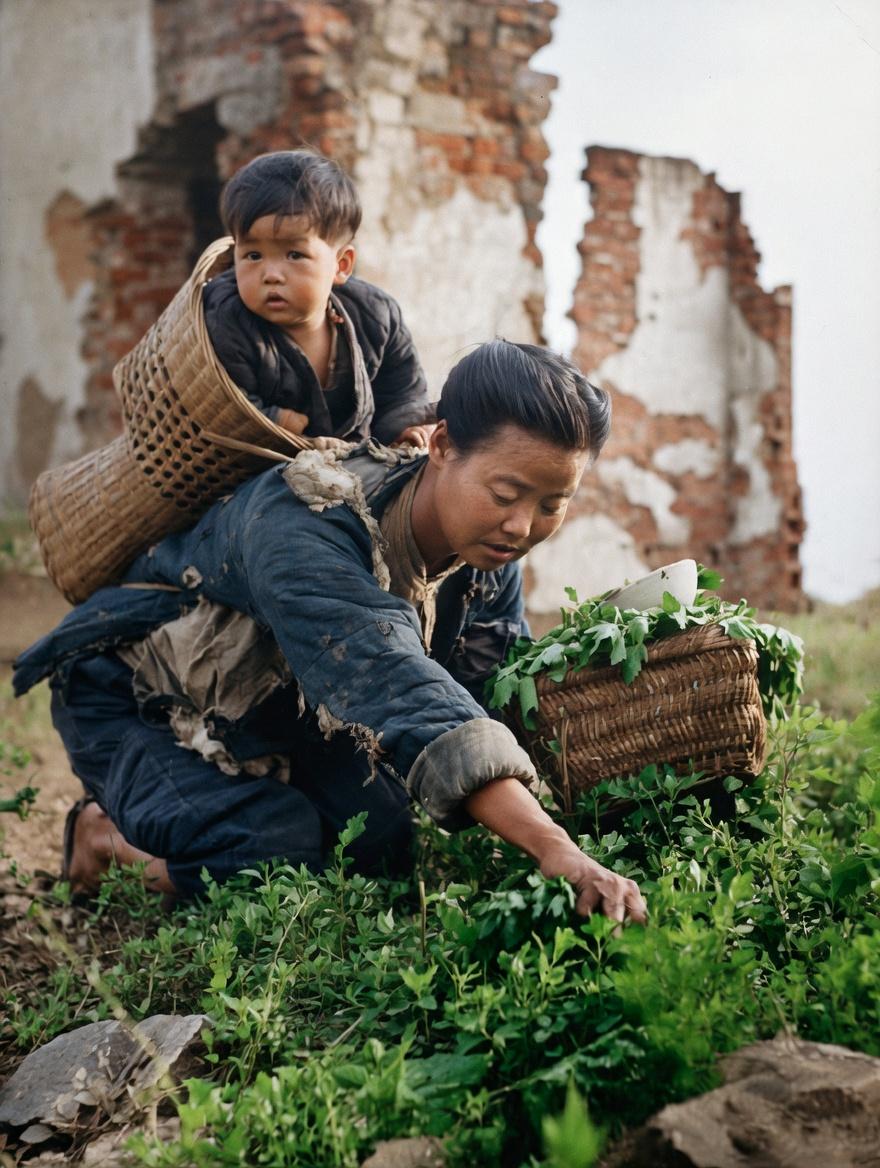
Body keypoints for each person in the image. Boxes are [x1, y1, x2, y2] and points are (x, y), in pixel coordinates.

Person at [14, 341, 647, 925]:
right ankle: (103, 842)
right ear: (444, 446)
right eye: (507, 493)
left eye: (551, 504)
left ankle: (256, 789)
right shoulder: (306, 521)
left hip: (278, 705)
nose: (520, 526)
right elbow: (396, 682)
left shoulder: (482, 561)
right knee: (271, 851)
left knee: (381, 847)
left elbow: (486, 690)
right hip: (136, 696)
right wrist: (554, 846)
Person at [203, 149, 435, 447]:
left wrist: (404, 426)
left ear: (341, 265)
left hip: (359, 461)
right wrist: (276, 420)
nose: (271, 274)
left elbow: (401, 389)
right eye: (253, 255)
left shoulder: (376, 316)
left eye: (295, 254)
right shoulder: (227, 318)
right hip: (257, 469)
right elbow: (216, 401)